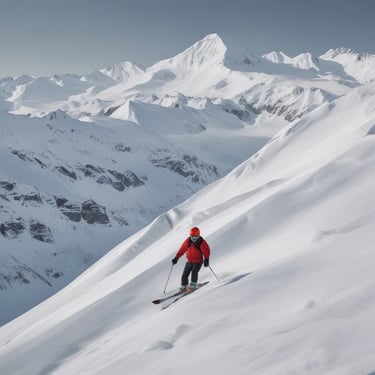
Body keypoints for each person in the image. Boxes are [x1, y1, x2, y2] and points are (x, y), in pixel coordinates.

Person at [172, 226, 210, 292]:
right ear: (190, 235)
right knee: (184, 274)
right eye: (192, 236)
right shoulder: (188, 241)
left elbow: (206, 250)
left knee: (194, 272)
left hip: (198, 261)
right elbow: (182, 249)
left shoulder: (201, 242)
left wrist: (206, 259)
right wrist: (176, 258)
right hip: (189, 261)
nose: (194, 238)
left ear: (198, 235)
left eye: (195, 237)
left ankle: (193, 285)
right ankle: (184, 286)